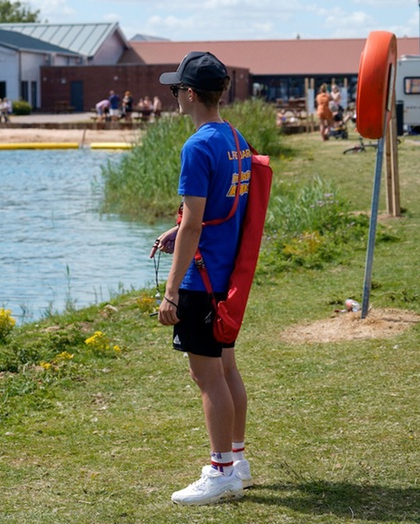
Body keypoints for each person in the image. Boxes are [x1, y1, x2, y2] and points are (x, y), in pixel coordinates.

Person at [151, 51, 253, 506]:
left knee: (206, 375)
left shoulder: (197, 146)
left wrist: (171, 292)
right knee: (226, 368)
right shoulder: (236, 138)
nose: (174, 96)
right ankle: (238, 458)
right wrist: (181, 228)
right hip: (227, 274)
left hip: (202, 279)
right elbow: (222, 210)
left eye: (177, 90)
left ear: (190, 94)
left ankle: (221, 471)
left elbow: (194, 223)